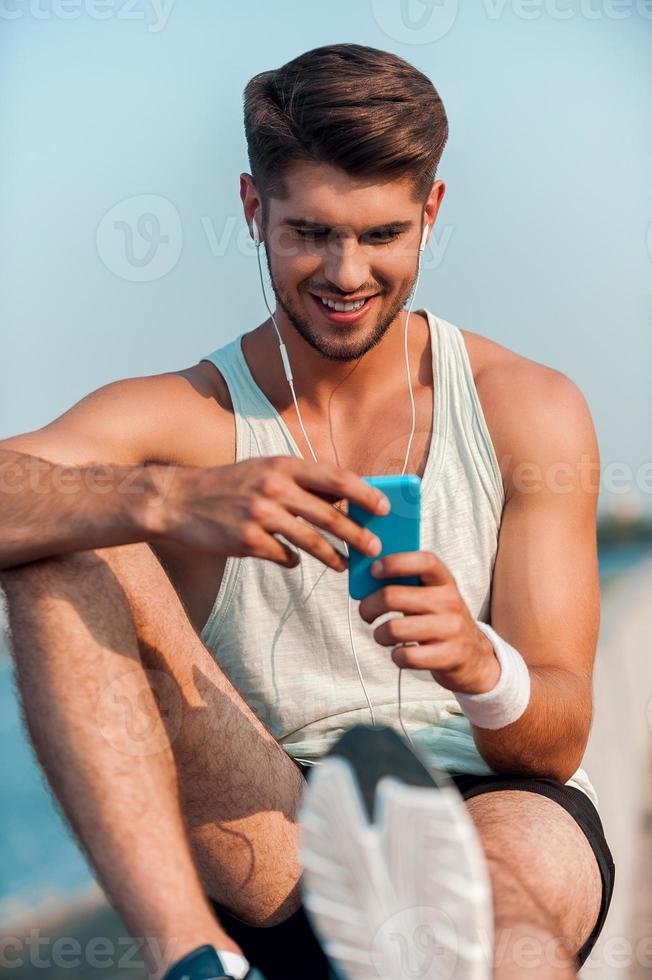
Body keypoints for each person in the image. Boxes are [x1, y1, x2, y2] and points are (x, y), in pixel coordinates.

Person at [0, 43, 614, 980]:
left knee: (503, 935)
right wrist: (168, 498)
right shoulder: (184, 418)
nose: (346, 272)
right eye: (311, 232)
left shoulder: (526, 406)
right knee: (66, 530)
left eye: (380, 235)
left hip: (496, 797)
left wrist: (481, 661)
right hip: (276, 815)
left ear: (430, 213)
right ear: (255, 210)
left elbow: (558, 736)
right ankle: (196, 962)